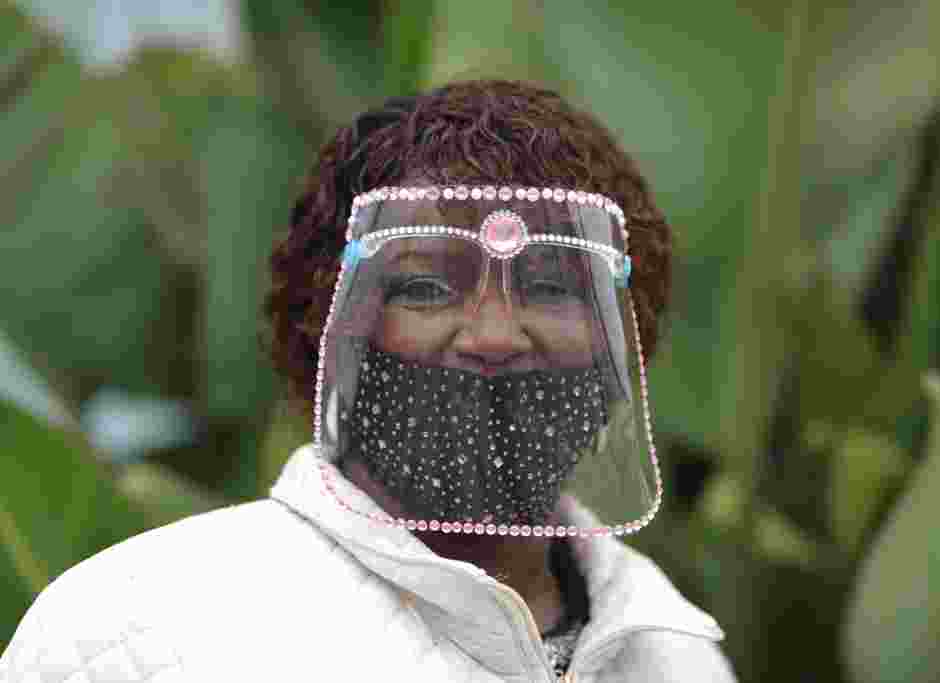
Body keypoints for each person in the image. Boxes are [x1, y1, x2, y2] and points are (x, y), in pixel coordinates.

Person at [0, 80, 735, 682]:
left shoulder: (676, 653)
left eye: (551, 287)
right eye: (425, 288)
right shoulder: (136, 626)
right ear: (330, 326)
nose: (494, 335)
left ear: (624, 336)